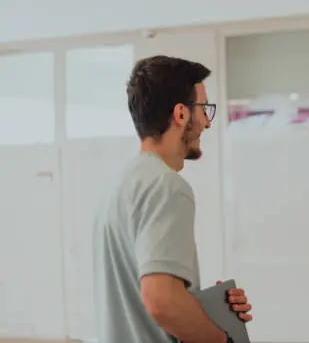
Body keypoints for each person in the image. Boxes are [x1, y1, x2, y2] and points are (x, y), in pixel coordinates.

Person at [92, 55, 252, 343]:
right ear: (181, 114)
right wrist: (220, 339)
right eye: (203, 109)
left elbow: (138, 293)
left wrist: (206, 308)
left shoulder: (118, 184)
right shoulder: (167, 186)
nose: (206, 122)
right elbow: (161, 299)